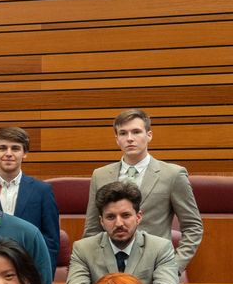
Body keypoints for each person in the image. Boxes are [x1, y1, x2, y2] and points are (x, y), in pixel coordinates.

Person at [83, 108, 201, 274]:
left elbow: (193, 227)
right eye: (123, 133)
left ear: (149, 135)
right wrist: (92, 268)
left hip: (154, 268)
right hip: (110, 270)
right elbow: (92, 229)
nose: (130, 138)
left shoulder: (172, 175)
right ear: (117, 139)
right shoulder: (100, 175)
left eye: (136, 132)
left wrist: (173, 267)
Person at [67, 182, 179, 284]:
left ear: (138, 217)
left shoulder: (160, 248)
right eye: (110, 217)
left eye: (125, 215)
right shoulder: (83, 248)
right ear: (101, 221)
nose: (119, 223)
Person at [0, 126, 61, 265]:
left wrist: (43, 280)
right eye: (3, 148)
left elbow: (51, 241)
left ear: (25, 153)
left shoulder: (42, 191)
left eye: (15, 148)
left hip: (29, 270)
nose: (8, 153)